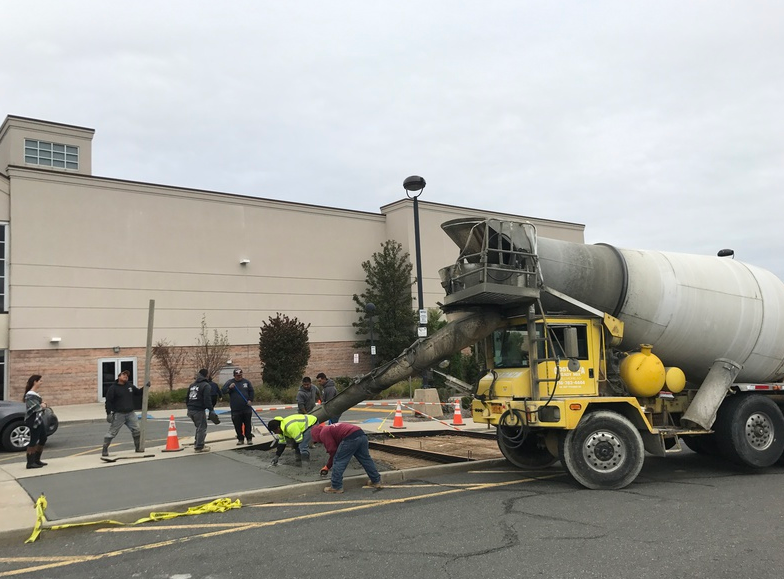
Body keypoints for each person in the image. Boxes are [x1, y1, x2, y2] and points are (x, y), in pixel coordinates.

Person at [312, 423, 382, 494]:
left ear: (316, 435)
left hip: (350, 438)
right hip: (361, 434)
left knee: (339, 460)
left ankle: (336, 486)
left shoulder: (323, 433)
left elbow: (333, 451)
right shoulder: (330, 428)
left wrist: (328, 466)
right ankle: (376, 481)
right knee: (365, 459)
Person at [103, 370, 147, 457]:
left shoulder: (129, 386)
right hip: (119, 414)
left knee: (137, 430)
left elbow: (138, 393)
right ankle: (104, 449)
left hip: (130, 413)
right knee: (112, 432)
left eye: (127, 375)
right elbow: (108, 401)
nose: (126, 376)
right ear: (119, 377)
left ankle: (138, 447)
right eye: (123, 375)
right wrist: (109, 413)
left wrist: (145, 387)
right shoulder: (113, 388)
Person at [222, 368, 254, 445]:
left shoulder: (246, 382)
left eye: (240, 375)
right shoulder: (230, 382)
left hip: (246, 408)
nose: (239, 377)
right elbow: (223, 390)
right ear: (234, 375)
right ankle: (240, 439)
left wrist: (250, 400)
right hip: (235, 409)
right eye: (237, 375)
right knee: (237, 425)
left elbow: (251, 391)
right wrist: (229, 387)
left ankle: (249, 438)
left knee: (247, 424)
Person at [186, 369, 215, 453]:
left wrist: (189, 406)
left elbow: (187, 397)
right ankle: (199, 446)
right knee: (202, 427)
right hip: (198, 410)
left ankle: (197, 443)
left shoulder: (192, 385)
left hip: (190, 409)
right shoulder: (206, 385)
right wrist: (211, 409)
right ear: (206, 375)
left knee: (198, 427)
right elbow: (207, 399)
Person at [23, 375, 48, 469]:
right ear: (35, 382)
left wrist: (42, 405)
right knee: (33, 439)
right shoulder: (30, 395)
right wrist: (43, 405)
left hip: (38, 418)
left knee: (43, 437)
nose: (41, 382)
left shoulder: (35, 394)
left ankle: (37, 460)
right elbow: (34, 407)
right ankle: (30, 462)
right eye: (40, 381)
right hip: (32, 419)